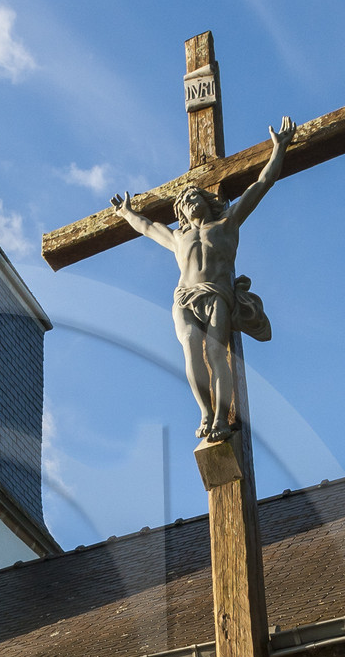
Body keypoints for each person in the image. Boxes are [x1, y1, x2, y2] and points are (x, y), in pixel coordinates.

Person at [110, 118, 295, 441]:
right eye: (183, 202)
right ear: (180, 212)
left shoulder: (227, 224)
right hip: (184, 296)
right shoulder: (177, 238)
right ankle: (206, 412)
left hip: (217, 294)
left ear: (206, 202)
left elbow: (261, 185)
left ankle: (221, 419)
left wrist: (279, 149)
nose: (189, 201)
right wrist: (126, 214)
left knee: (214, 351)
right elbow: (148, 227)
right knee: (191, 348)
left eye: (194, 197)